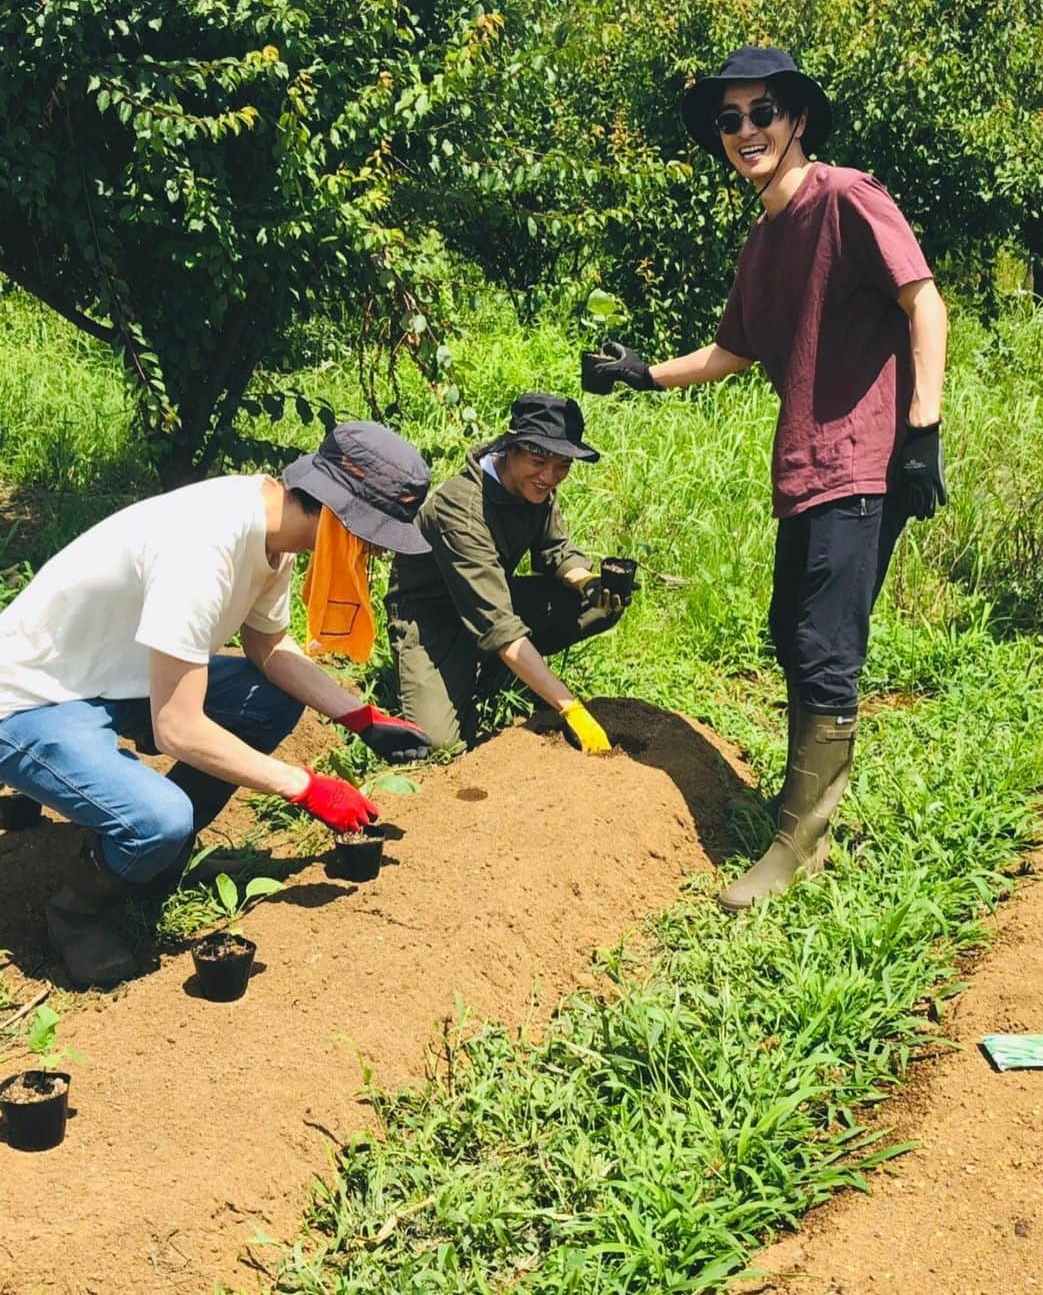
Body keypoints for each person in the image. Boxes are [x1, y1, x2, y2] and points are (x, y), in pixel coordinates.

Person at [582, 46, 948, 910]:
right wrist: (645, 375)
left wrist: (923, 430)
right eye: (728, 120)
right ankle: (801, 805)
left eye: (761, 114)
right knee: (791, 629)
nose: (744, 132)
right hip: (808, 465)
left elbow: (923, 301)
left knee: (824, 648)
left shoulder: (846, 197)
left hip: (864, 459)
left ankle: (798, 847)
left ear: (796, 120)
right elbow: (735, 351)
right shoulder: (763, 239)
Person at [0, 422, 434, 987]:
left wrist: (360, 717)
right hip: (33, 700)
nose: (374, 551)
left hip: (118, 678)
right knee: (161, 818)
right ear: (336, 512)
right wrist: (304, 785)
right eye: (372, 535)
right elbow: (178, 728)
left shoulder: (274, 531)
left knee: (270, 699)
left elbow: (268, 646)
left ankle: (160, 862)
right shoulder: (205, 548)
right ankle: (78, 911)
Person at [385, 393, 631, 755]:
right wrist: (570, 707)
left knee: (600, 605)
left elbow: (555, 550)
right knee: (440, 745)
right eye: (538, 461)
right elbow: (499, 626)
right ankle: (485, 666)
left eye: (563, 465)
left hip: (491, 598)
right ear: (509, 449)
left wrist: (588, 583)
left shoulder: (533, 485)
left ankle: (498, 669)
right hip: (433, 617)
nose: (549, 476)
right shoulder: (461, 510)